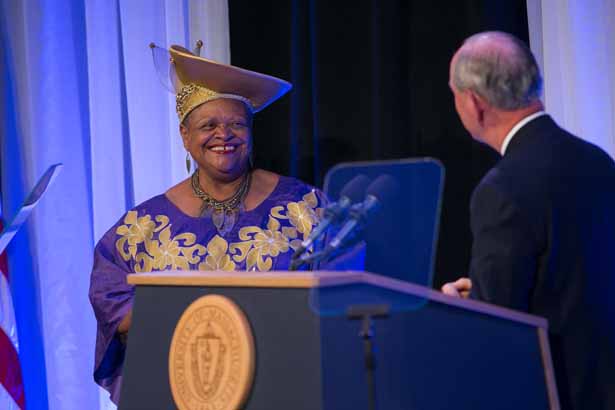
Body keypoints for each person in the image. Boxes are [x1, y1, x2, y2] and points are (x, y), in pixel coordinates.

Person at [88, 44, 327, 404]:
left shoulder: (303, 207)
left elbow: (338, 292)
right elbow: (111, 301)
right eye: (208, 125)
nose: (224, 135)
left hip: (282, 388)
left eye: (236, 124)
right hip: (180, 391)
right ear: (185, 137)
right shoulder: (144, 226)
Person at [442, 31, 615, 409]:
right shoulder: (599, 161)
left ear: (474, 103)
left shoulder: (502, 187)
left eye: (454, 95)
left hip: (550, 390)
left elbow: (496, 321)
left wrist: (459, 306)